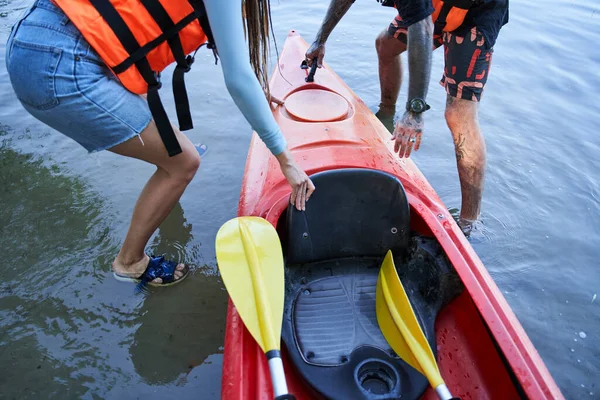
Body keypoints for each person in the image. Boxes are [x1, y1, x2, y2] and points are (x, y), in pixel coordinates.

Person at [6, 0, 315, 288]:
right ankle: (129, 263)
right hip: (60, 65)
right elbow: (237, 78)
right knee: (184, 162)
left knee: (167, 140)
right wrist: (285, 160)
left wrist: (258, 91)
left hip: (32, 37)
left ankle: (165, 165)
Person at [305, 0, 508, 234]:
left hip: (476, 12)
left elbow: (422, 29)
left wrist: (414, 111)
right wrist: (320, 39)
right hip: (435, 7)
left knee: (458, 115)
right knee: (385, 45)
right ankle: (386, 115)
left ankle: (470, 223)